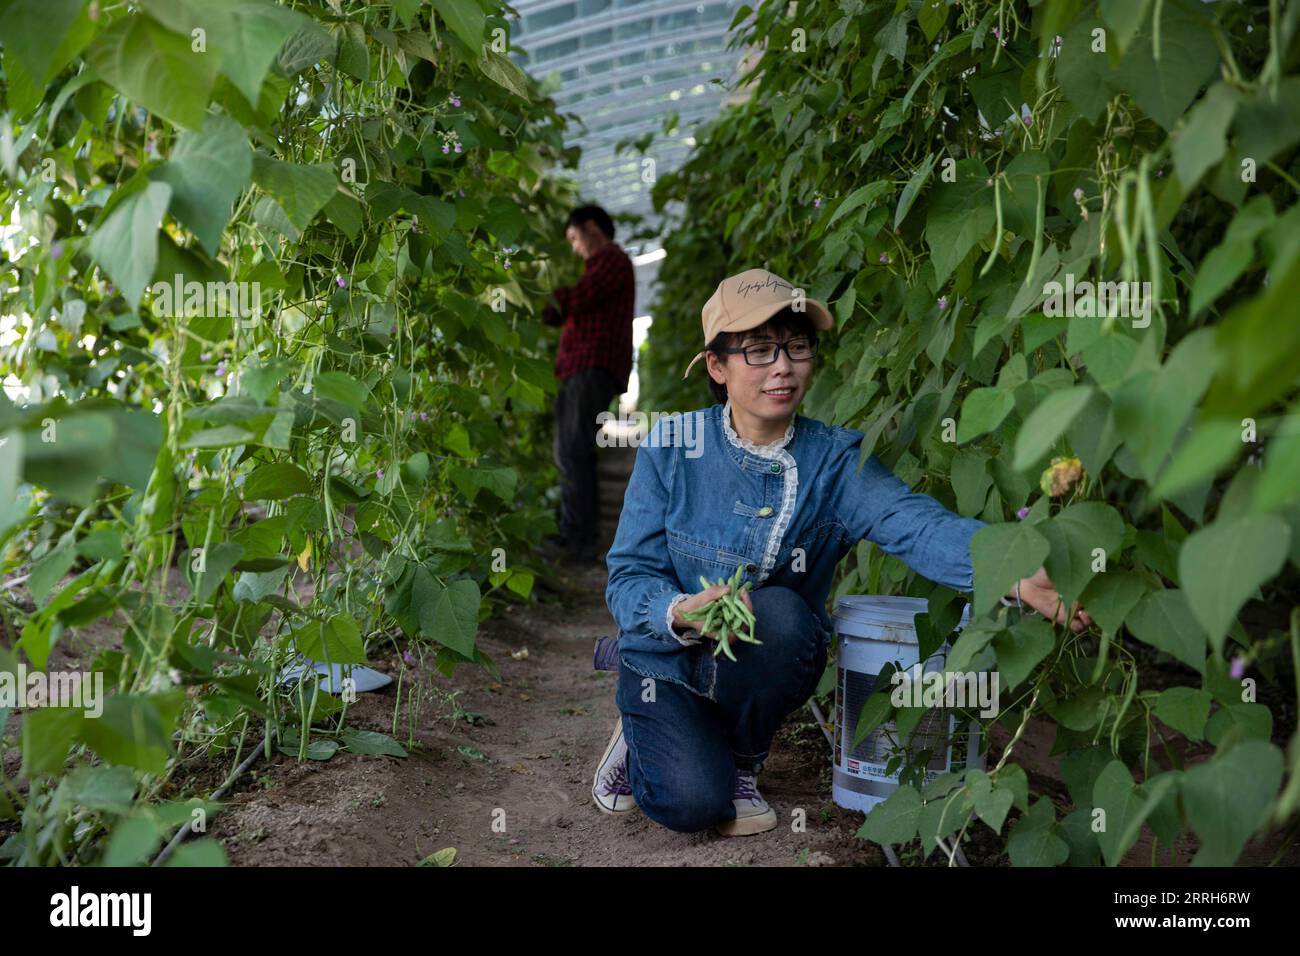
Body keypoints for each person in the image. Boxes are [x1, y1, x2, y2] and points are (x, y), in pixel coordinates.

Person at [592, 267, 1092, 837]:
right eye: (758, 350)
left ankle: (740, 760)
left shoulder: (834, 461)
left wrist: (1013, 571)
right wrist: (679, 610)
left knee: (782, 617)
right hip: (666, 660)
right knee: (691, 806)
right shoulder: (672, 449)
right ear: (716, 366)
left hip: (750, 660)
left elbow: (916, 524)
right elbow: (629, 575)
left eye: (796, 346)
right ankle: (641, 734)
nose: (782, 366)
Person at [541, 205, 635, 563]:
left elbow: (577, 299)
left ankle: (578, 540)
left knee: (573, 450)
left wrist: (541, 299)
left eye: (574, 237)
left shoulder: (612, 260)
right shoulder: (600, 266)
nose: (574, 247)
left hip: (591, 367)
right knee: (570, 450)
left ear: (591, 228)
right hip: (582, 369)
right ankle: (576, 535)